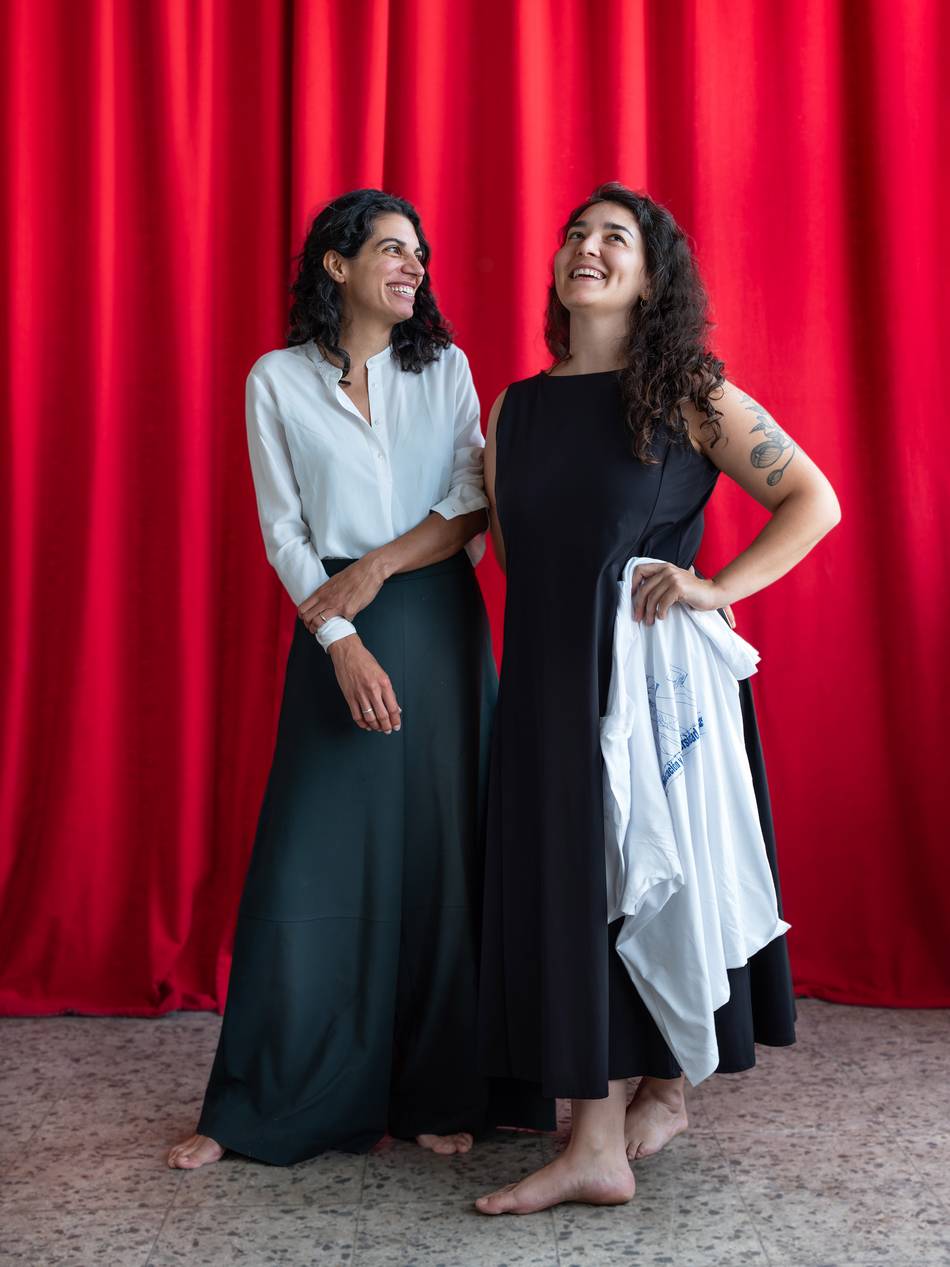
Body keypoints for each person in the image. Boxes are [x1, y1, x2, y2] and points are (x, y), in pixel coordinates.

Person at [474, 183, 841, 1214]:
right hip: (547, 685)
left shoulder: (689, 390)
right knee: (578, 887)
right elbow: (513, 554)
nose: (585, 249)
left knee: (628, 883)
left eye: (613, 239)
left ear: (649, 278)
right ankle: (657, 1089)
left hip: (644, 688)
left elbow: (811, 497)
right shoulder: (514, 406)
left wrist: (714, 586)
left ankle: (596, 1145)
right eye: (574, 235)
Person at [168, 188, 549, 1169]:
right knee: (308, 867)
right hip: (331, 630)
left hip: (437, 626)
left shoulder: (449, 371)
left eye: (417, 253)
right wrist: (339, 635)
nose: (412, 266)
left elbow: (470, 502)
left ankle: (438, 1090)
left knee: (438, 862)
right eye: (389, 248)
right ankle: (255, 1104)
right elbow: (284, 530)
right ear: (334, 265)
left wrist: (376, 569)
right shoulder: (275, 380)